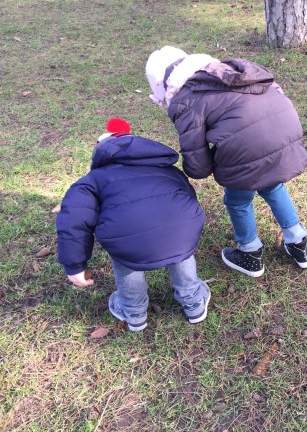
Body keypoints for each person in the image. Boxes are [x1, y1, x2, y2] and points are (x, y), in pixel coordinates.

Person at [145, 46, 307, 278]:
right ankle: (298, 242)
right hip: (285, 130)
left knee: (238, 199)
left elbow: (196, 161)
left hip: (249, 146)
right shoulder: (227, 71)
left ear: (163, 86)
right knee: (273, 185)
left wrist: (210, 166)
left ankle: (250, 252)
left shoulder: (185, 100)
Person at [56, 118, 209, 331]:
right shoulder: (169, 169)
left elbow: (74, 220)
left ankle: (133, 312)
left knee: (126, 253)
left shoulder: (93, 180)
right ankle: (193, 301)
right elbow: (188, 195)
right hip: (183, 229)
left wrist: (75, 265)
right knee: (180, 248)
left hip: (129, 239)